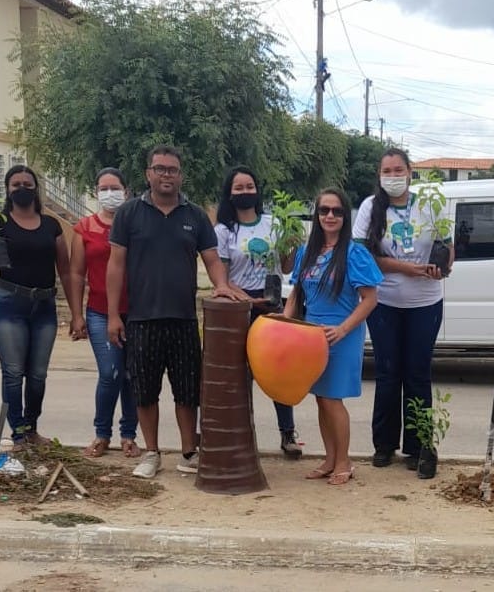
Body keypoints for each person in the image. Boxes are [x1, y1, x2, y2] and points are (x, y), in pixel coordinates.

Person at [106, 146, 245, 479]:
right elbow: (116, 265)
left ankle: (188, 452)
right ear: (148, 173)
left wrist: (222, 285)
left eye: (172, 170)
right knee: (144, 391)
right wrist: (113, 315)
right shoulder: (128, 214)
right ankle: (151, 453)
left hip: (183, 319)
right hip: (141, 319)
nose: (166, 175)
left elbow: (212, 259)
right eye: (160, 169)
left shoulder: (194, 215)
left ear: (180, 176)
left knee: (187, 390)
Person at [353, 148, 452, 473]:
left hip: (425, 303)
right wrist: (404, 268)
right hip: (384, 303)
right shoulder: (370, 207)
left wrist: (441, 267)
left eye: (398, 170)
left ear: (410, 173)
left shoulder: (430, 204)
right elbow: (362, 256)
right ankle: (384, 445)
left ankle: (419, 445)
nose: (392, 176)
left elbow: (448, 251)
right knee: (387, 373)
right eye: (387, 171)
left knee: (418, 374)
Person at [284, 188, 382, 486]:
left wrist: (342, 329)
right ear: (316, 214)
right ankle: (329, 459)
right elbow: (297, 293)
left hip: (342, 336)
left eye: (336, 211)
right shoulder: (306, 252)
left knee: (332, 400)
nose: (329, 216)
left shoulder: (355, 254)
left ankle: (344, 461)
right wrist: (284, 324)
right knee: (320, 400)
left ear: (345, 216)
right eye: (324, 210)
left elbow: (370, 299)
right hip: (312, 337)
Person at [0, 165, 77, 451]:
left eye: (27, 183)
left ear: (36, 188)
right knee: (13, 371)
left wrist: (76, 313)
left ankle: (32, 428)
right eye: (16, 184)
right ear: (8, 190)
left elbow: (66, 270)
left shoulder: (51, 225)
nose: (22, 188)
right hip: (9, 303)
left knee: (37, 374)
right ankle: (19, 435)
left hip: (44, 306)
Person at [214, 166, 302, 459]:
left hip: (272, 304)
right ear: (229, 193)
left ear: (257, 189)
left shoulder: (274, 223)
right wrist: (246, 301)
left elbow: (286, 268)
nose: (245, 192)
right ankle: (242, 434)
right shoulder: (224, 230)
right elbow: (223, 278)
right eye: (238, 188)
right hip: (239, 307)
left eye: (249, 186)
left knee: (278, 371)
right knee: (240, 375)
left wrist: (291, 245)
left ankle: (287, 433)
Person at [68, 167, 140, 459]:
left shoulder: (137, 225)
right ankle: (102, 434)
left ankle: (129, 435)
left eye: (115, 188)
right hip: (99, 312)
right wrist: (76, 315)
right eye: (103, 188)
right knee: (110, 373)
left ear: (127, 191)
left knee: (132, 376)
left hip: (137, 312)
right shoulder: (84, 228)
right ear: (96, 192)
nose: (110, 194)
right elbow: (75, 273)